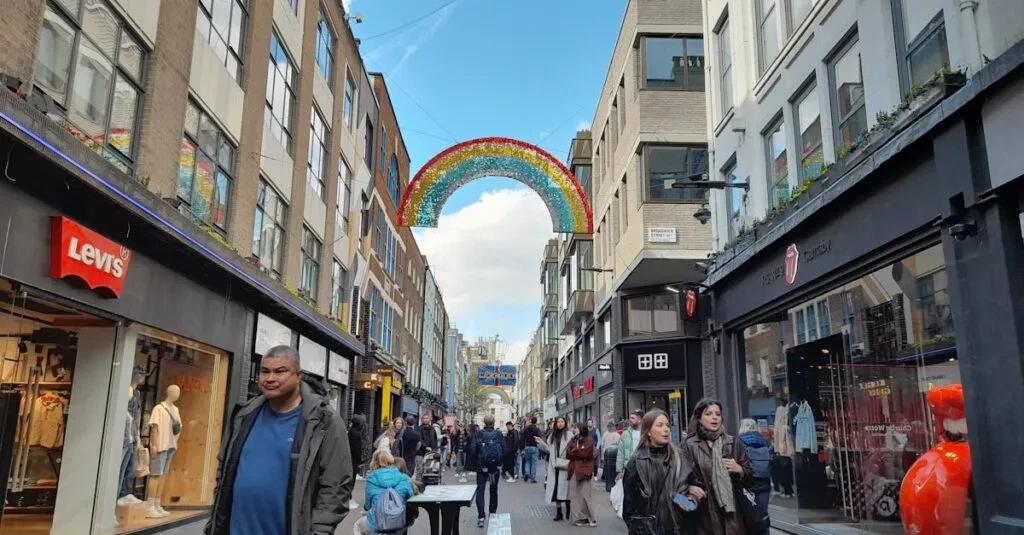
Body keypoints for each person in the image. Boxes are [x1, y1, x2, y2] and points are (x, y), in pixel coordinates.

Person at [204, 345, 352, 535]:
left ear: (299, 375)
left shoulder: (324, 422)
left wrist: (319, 531)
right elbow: (224, 469)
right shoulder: (244, 415)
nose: (270, 378)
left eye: (280, 371)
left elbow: (336, 486)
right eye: (265, 371)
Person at [622, 409, 701, 535]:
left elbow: (697, 489)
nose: (666, 429)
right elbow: (629, 508)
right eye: (660, 425)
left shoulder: (679, 457)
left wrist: (688, 501)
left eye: (667, 425)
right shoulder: (636, 462)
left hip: (678, 529)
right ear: (648, 432)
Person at [682, 398, 754, 535]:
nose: (714, 417)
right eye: (708, 414)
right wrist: (689, 488)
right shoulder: (689, 445)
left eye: (718, 414)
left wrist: (740, 470)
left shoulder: (733, 443)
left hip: (733, 517)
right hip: (703, 517)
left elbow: (752, 479)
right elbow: (677, 483)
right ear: (699, 418)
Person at [354, 450, 416, 535]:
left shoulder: (371, 479)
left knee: (357, 526)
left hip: (377, 523)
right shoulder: (403, 477)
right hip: (398, 521)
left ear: (374, 463)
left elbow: (368, 506)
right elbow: (411, 497)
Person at [472, 415, 505, 527]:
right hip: (495, 467)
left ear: (484, 422)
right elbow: (504, 449)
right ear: (494, 422)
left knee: (480, 491)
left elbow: (473, 450)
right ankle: (493, 513)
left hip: (482, 467)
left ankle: (481, 517)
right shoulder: (498, 434)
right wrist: (500, 463)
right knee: (493, 490)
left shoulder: (479, 433)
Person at [536, 416, 571, 521]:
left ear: (565, 423)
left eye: (562, 422)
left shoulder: (569, 435)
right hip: (554, 465)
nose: (560, 424)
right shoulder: (552, 435)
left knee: (566, 489)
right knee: (556, 490)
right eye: (558, 422)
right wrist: (540, 442)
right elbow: (548, 449)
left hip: (565, 465)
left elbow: (573, 450)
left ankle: (569, 511)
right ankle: (559, 513)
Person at [567, 422, 598, 527]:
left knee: (585, 495)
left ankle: (590, 518)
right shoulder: (573, 440)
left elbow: (586, 452)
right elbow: (568, 453)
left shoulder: (589, 440)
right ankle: (578, 518)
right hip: (574, 470)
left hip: (585, 470)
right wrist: (577, 452)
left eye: (576, 428)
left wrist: (576, 451)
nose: (574, 430)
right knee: (574, 495)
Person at [738, 418, 772, 514]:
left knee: (749, 514)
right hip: (764, 482)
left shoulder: (739, 441)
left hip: (747, 482)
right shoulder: (763, 441)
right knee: (763, 514)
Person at [616, 409, 644, 478]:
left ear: (639, 420)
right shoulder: (625, 434)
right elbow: (620, 453)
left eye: (633, 418)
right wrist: (620, 470)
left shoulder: (646, 433)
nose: (630, 420)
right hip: (629, 468)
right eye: (630, 418)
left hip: (643, 467)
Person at [519, 416, 541, 483]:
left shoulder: (526, 428)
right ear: (536, 421)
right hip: (534, 446)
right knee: (534, 463)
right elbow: (539, 437)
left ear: (531, 421)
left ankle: (527, 473)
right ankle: (532, 478)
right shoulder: (537, 429)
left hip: (527, 446)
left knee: (527, 461)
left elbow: (522, 437)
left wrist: (522, 448)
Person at [601, 421, 621, 490]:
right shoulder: (617, 435)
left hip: (607, 456)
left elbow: (602, 445)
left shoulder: (605, 434)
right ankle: (613, 485)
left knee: (607, 471)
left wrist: (603, 454)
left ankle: (608, 485)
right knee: (613, 471)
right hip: (614, 457)